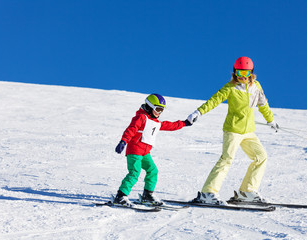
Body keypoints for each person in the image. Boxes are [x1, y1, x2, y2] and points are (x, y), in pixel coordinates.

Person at [187, 56, 279, 205]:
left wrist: (271, 120)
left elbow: (263, 104)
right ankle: (207, 193)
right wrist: (198, 112)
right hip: (233, 130)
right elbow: (214, 100)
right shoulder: (230, 88)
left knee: (261, 157)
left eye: (246, 73)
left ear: (251, 73)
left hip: (249, 131)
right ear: (234, 72)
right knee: (227, 159)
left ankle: (247, 192)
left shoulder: (256, 86)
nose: (242, 77)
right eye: (239, 73)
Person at [112, 93, 192, 207]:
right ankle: (120, 196)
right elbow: (131, 129)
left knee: (153, 170)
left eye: (162, 110)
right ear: (149, 106)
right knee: (134, 173)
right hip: (134, 150)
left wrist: (184, 123)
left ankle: (147, 195)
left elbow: (169, 125)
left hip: (145, 153)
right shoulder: (141, 117)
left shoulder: (156, 122)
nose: (159, 112)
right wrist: (123, 141)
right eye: (158, 109)